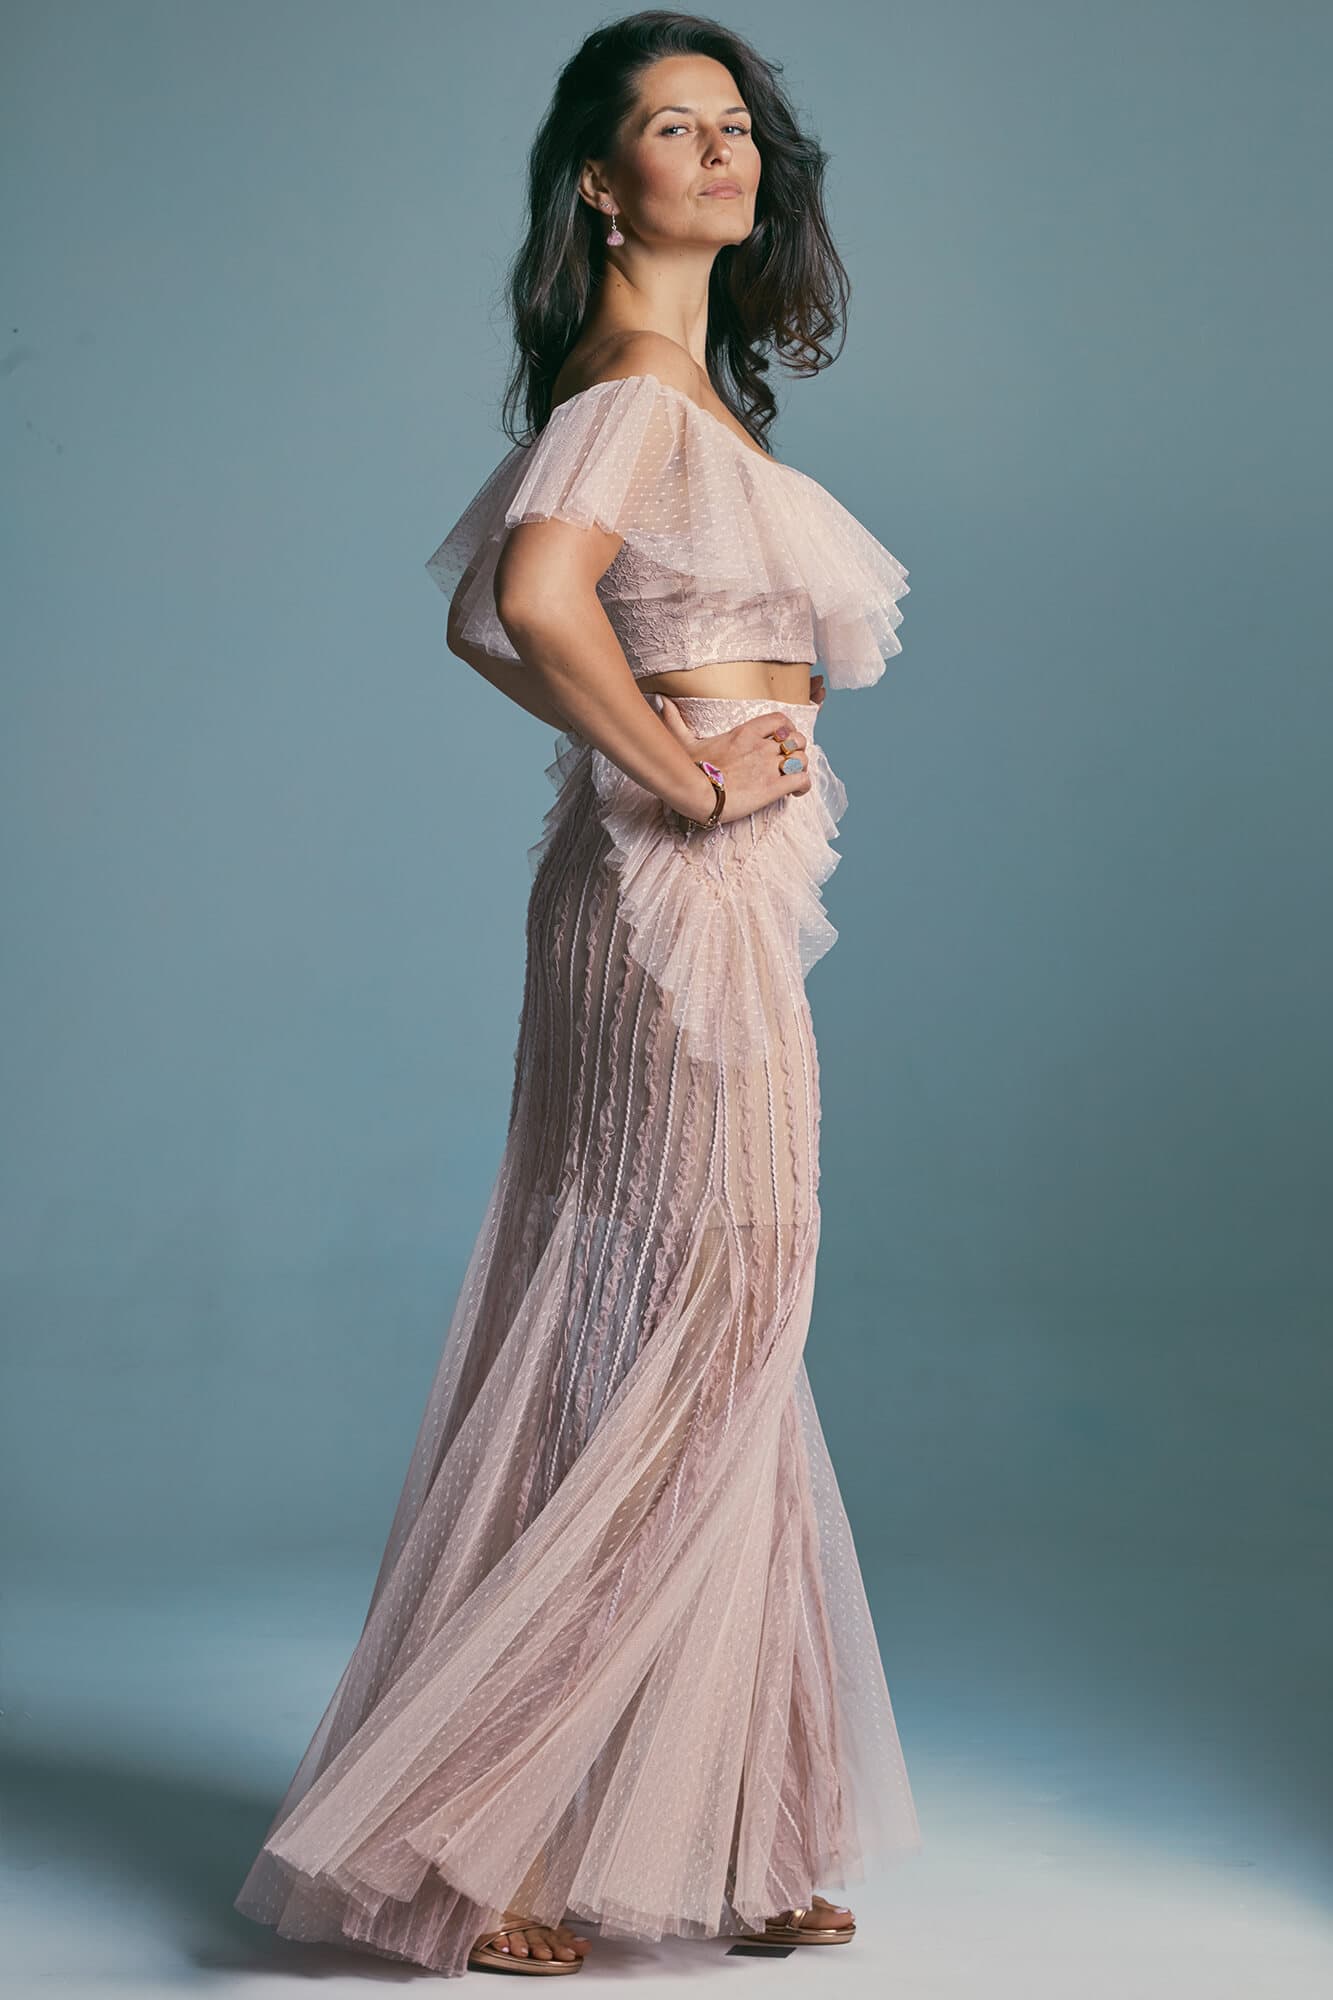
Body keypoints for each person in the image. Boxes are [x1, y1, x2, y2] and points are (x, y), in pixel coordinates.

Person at [233, 10, 922, 1979]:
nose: (721, 150)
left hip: (707, 892)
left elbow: (483, 614)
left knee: (715, 1314)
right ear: (601, 186)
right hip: (669, 889)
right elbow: (527, 601)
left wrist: (693, 756)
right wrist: (681, 772)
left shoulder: (677, 395)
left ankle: (735, 1822)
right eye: (672, 129)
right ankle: (487, 1835)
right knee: (702, 1308)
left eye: (736, 125)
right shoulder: (626, 390)